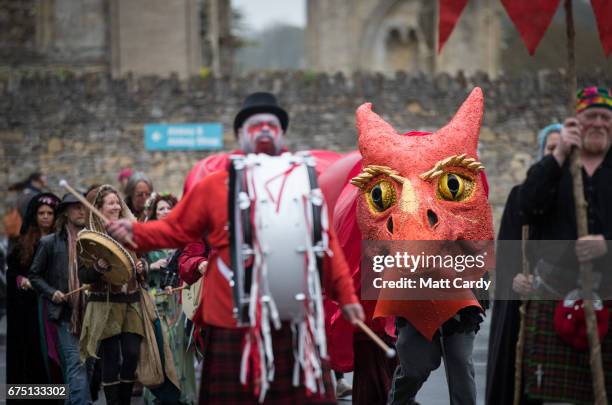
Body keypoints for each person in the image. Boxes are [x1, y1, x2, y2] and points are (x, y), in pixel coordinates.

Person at [106, 92, 364, 405]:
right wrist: (134, 232)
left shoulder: (303, 184)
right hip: (231, 317)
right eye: (256, 125)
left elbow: (325, 245)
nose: (265, 130)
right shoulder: (214, 187)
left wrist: (347, 297)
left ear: (282, 134)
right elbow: (175, 230)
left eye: (272, 124)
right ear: (241, 135)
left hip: (291, 317)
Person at [519, 86, 612, 403]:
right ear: (576, 122)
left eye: (606, 117)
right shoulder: (555, 169)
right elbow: (527, 206)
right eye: (591, 117)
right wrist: (558, 156)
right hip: (556, 294)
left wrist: (607, 246)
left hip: (609, 295)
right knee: (555, 397)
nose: (599, 123)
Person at [484, 123, 561, 405]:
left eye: (561, 148)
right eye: (551, 148)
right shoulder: (521, 195)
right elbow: (506, 251)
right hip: (523, 299)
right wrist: (514, 277)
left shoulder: (577, 198)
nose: (556, 154)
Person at [78, 185, 147, 405]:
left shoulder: (131, 230)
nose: (117, 206)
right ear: (98, 207)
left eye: (118, 202)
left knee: (131, 354)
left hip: (131, 301)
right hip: (105, 303)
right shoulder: (89, 238)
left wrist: (141, 267)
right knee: (110, 360)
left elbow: (143, 259)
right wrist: (98, 267)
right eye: (111, 203)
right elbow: (84, 275)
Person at [29, 193, 91, 405]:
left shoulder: (93, 242)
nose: (81, 211)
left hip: (91, 312)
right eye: (75, 207)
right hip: (65, 313)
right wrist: (52, 292)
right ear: (65, 212)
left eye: (83, 207)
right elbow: (34, 275)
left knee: (87, 367)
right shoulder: (49, 242)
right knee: (76, 364)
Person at [142, 193, 198, 405]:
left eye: (169, 208)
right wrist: (151, 267)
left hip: (181, 298)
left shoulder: (184, 237)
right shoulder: (149, 238)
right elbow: (136, 269)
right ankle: (160, 397)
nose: (165, 212)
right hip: (157, 299)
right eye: (161, 209)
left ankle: (184, 395)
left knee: (181, 346)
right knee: (161, 346)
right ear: (155, 213)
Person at [6, 193, 60, 389]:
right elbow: (13, 272)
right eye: (41, 213)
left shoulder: (62, 241)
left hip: (56, 306)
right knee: (34, 355)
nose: (45, 216)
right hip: (30, 310)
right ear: (35, 215)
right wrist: (22, 280)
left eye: (50, 213)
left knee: (57, 356)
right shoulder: (24, 244)